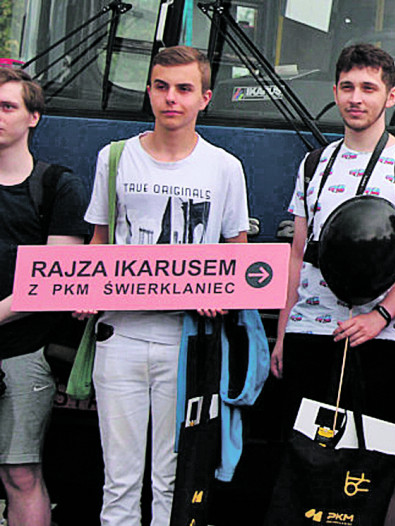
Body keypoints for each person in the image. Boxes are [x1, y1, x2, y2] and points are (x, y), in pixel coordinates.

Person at [270, 43, 395, 524]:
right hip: (311, 334)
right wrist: (284, 332)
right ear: (335, 92)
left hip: (381, 340)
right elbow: (298, 253)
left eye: (369, 88)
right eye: (347, 87)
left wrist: (380, 317)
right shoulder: (314, 165)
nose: (356, 98)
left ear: (390, 96)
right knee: (307, 454)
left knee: (378, 457)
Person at [81, 46, 250, 526]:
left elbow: (235, 251)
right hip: (120, 337)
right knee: (119, 480)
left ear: (204, 98)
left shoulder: (224, 167)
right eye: (160, 86)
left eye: (183, 89)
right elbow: (98, 241)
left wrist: (222, 295)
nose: (170, 99)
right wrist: (84, 292)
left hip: (188, 342)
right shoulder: (115, 158)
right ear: (149, 91)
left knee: (173, 481)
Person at [0, 68, 89, 526]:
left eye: (8, 106)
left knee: (19, 471)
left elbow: (57, 281)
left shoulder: (57, 187)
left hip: (21, 352)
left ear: (34, 117)